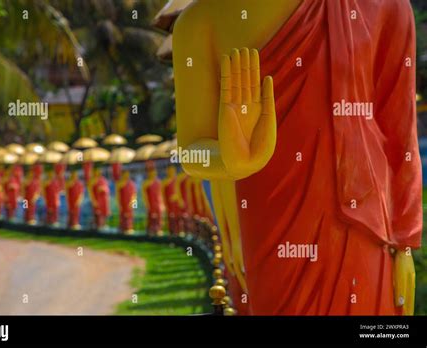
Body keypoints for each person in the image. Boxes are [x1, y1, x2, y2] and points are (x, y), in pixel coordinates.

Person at [173, 0, 421, 315]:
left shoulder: (383, 6)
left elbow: (400, 129)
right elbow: (192, 149)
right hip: (271, 226)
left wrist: (405, 242)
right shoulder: (200, 20)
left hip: (363, 228)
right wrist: (229, 160)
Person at [142, 166, 164, 236]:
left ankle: (158, 230)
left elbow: (161, 194)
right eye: (151, 173)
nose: (153, 174)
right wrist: (146, 203)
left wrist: (162, 204)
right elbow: (144, 194)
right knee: (151, 218)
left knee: (158, 218)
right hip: (151, 204)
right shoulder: (146, 183)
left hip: (158, 203)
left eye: (154, 173)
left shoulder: (158, 182)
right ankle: (150, 231)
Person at [162, 166, 183, 235]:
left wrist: (178, 198)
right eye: (169, 171)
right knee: (171, 219)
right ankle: (171, 232)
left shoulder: (177, 180)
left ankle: (179, 231)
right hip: (169, 204)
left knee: (178, 218)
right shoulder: (165, 182)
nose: (171, 172)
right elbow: (162, 194)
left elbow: (179, 191)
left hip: (176, 203)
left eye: (172, 171)